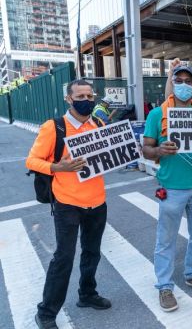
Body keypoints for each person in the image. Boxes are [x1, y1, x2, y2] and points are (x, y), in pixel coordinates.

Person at [27, 80, 111, 329]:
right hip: (67, 203)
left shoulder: (99, 124)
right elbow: (31, 161)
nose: (86, 99)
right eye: (80, 95)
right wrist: (56, 167)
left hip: (97, 201)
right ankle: (47, 312)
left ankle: (87, 294)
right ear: (68, 99)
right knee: (64, 257)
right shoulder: (54, 128)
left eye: (89, 94)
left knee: (92, 252)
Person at [143, 65, 192, 312]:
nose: (184, 84)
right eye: (179, 80)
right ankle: (164, 285)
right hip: (172, 187)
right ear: (172, 83)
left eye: (188, 80)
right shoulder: (158, 114)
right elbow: (146, 148)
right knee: (166, 239)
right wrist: (159, 151)